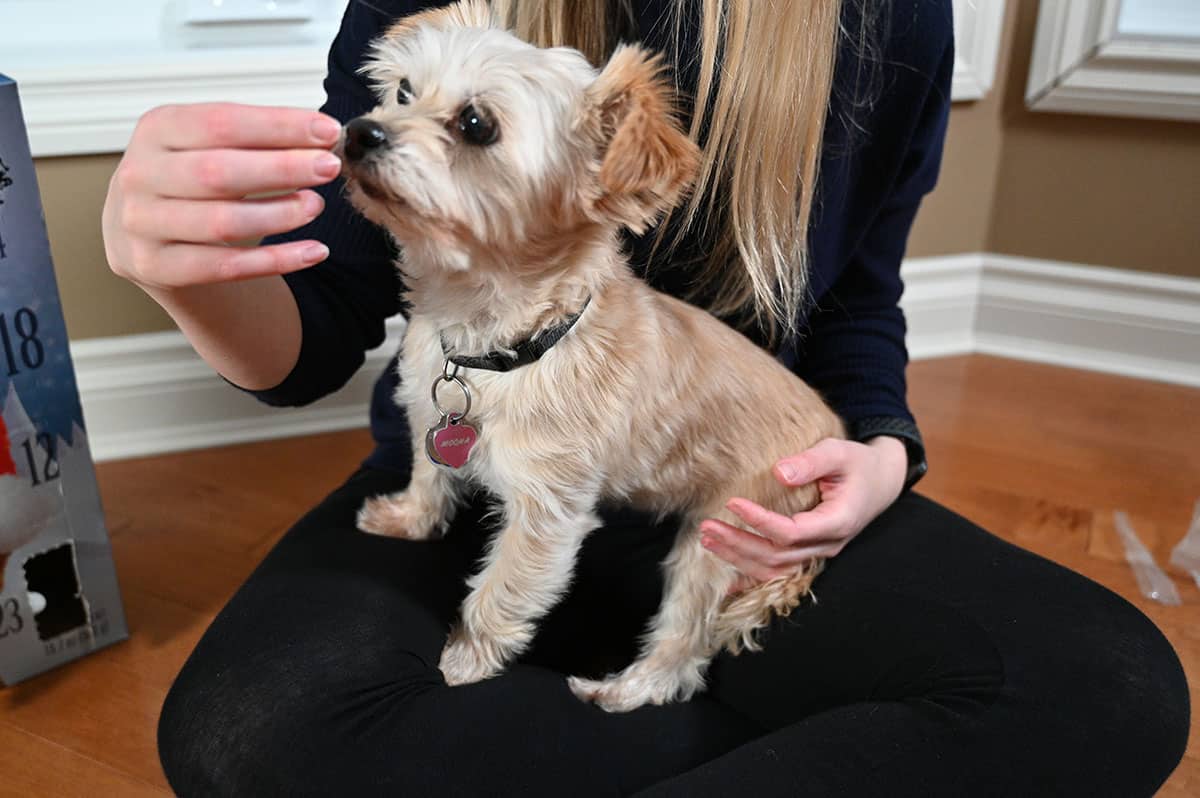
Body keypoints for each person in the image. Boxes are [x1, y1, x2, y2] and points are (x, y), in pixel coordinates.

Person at [102, 1, 1189, 795]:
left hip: (741, 484)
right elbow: (318, 327)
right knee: (242, 738)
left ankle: (667, 699)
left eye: (470, 126)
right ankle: (807, 728)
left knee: (1109, 684)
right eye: (399, 101)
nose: (385, 130)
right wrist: (181, 272)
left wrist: (886, 452)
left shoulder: (888, 19)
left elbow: (858, 298)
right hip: (461, 464)